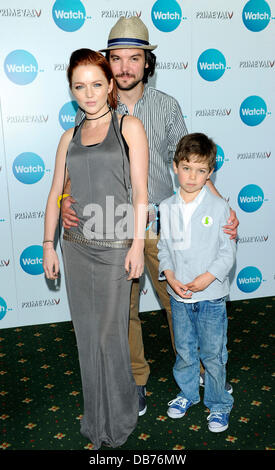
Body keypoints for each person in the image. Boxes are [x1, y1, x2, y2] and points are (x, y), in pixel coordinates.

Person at [61, 16, 238, 416]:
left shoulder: (167, 107)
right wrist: (64, 201)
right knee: (123, 315)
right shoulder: (91, 108)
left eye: (134, 58)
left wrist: (225, 211)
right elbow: (73, 169)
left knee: (182, 304)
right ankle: (135, 380)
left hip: (164, 223)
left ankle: (199, 375)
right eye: (117, 59)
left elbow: (191, 164)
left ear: (147, 64)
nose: (125, 67)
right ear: (107, 64)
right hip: (109, 227)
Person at [43, 48, 148, 449]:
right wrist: (47, 244)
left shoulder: (129, 127)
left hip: (115, 247)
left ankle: (119, 418)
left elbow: (140, 192)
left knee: (109, 337)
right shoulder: (68, 137)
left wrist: (137, 244)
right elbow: (56, 192)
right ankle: (95, 417)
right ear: (71, 89)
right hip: (75, 248)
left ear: (109, 86)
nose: (88, 94)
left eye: (96, 85)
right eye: (79, 86)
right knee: (86, 337)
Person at [157, 133, 235, 432]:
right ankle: (188, 393)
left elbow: (228, 252)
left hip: (211, 297)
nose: (192, 176)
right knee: (186, 351)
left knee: (213, 353)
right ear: (175, 167)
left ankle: (218, 403)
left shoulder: (219, 208)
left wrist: (207, 278)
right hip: (179, 296)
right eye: (187, 167)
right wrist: (171, 276)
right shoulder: (166, 206)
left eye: (201, 170)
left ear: (210, 173)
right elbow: (164, 247)